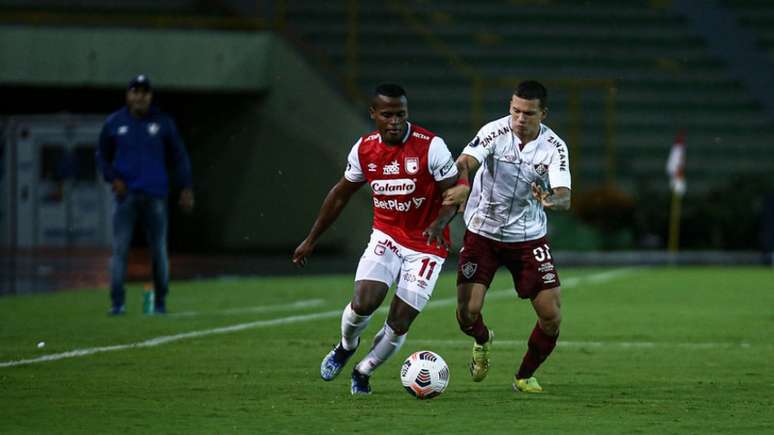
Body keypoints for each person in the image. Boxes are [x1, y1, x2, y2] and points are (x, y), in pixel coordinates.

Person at [292, 83, 460, 395]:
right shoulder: (364, 149)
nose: (396, 121)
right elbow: (340, 195)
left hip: (426, 245)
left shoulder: (430, 146)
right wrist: (311, 238)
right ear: (373, 114)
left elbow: (455, 191)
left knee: (400, 321)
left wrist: (439, 222)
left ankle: (363, 371)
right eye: (388, 114)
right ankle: (345, 347)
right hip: (387, 235)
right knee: (363, 303)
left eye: (401, 114)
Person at [442, 80, 571, 393]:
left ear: (543, 114)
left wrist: (552, 200)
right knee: (467, 313)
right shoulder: (494, 132)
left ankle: (524, 375)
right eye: (515, 111)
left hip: (528, 238)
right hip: (482, 232)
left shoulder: (555, 147)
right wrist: (461, 181)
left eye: (528, 113)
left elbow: (565, 196)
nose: (520, 119)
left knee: (551, 317)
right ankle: (483, 340)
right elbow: (466, 162)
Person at [96, 74, 194, 315]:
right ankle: (117, 303)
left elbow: (179, 157)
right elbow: (101, 156)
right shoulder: (114, 122)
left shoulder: (163, 123)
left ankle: (160, 302)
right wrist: (112, 178)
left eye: (144, 92)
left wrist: (186, 187)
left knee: (159, 250)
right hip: (125, 195)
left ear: (150, 96)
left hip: (155, 195)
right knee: (120, 249)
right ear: (128, 95)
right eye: (136, 91)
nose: (140, 96)